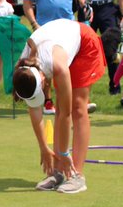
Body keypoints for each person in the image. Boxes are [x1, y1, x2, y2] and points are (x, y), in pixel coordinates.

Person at [12, 18, 105, 194]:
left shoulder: (57, 66)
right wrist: (43, 148)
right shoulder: (23, 68)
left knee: (77, 107)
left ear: (41, 78)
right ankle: (59, 173)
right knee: (60, 109)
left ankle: (76, 175)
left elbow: (65, 114)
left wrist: (63, 154)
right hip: (60, 42)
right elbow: (35, 109)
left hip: (84, 43)